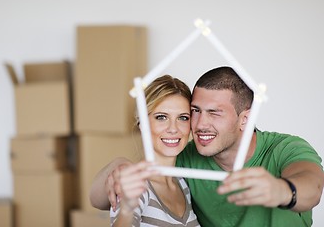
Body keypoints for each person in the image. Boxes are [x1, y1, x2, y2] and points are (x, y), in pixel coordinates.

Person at [90, 67, 324, 227]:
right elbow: (100, 200)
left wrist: (281, 191)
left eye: (214, 113)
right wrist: (120, 165)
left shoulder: (284, 148)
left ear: (245, 119)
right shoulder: (185, 160)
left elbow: (312, 187)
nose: (200, 124)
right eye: (195, 112)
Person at [106, 74, 200, 226]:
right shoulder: (137, 185)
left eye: (183, 118)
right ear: (142, 123)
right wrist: (126, 210)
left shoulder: (183, 184)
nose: (173, 129)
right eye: (161, 117)